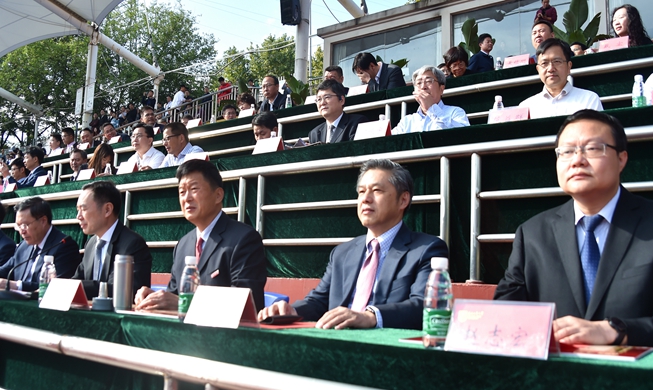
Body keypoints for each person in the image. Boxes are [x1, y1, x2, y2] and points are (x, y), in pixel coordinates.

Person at [494, 109, 653, 352]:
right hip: (553, 373)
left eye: (592, 149)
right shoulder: (532, 234)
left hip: (636, 373)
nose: (577, 160)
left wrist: (615, 331)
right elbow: (503, 315)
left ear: (621, 159)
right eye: (566, 151)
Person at [258, 159, 449, 330]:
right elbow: (319, 301)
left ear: (403, 200)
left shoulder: (426, 249)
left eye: (377, 190)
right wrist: (291, 311)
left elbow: (426, 306)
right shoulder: (342, 252)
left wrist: (370, 316)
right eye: (361, 191)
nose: (365, 199)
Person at [134, 159, 267, 311]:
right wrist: (154, 299)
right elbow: (174, 297)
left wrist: (183, 304)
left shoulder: (244, 239)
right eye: (182, 192)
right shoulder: (183, 245)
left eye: (194, 189)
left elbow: (246, 305)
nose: (187, 198)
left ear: (218, 195)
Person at [73, 180, 152, 299]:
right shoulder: (91, 243)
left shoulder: (133, 244)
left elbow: (121, 290)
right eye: (77, 210)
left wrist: (76, 286)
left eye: (83, 209)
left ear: (107, 210)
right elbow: (77, 279)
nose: (78, 216)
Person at [0, 197, 81, 292]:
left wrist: (17, 285)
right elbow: (3, 271)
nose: (22, 231)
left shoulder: (64, 246)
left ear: (43, 221)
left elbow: (57, 287)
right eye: (19, 226)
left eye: (25, 225)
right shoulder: (23, 246)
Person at [520, 38, 603, 119]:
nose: (551, 69)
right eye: (544, 63)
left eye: (557, 61)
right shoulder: (526, 107)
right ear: (538, 69)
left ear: (569, 66)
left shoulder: (589, 100)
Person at [392, 65, 470, 134]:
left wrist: (431, 108)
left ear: (441, 89)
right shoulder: (407, 121)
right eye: (419, 83)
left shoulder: (455, 112)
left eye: (428, 81)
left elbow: (463, 135)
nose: (423, 87)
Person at [308, 79, 368, 144]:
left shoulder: (356, 123)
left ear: (341, 100)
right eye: (319, 99)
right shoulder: (314, 133)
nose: (322, 103)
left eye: (327, 97)